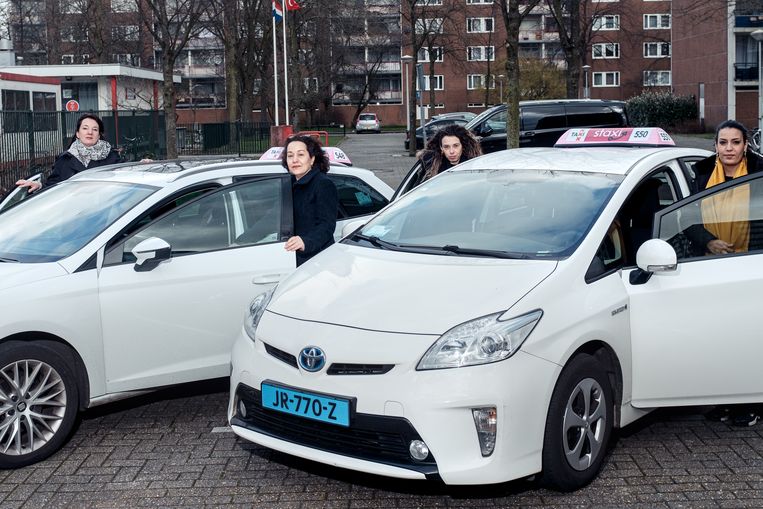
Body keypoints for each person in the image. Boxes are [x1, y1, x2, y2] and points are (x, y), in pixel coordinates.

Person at [695, 120, 763, 427]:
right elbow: (688, 216)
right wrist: (707, 241)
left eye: (735, 142)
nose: (729, 149)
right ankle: (722, 400)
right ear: (715, 146)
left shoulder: (760, 171)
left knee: (748, 336)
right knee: (717, 336)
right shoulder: (701, 173)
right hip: (710, 265)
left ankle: (749, 403)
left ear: (745, 145)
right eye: (723, 143)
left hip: (752, 262)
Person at [16, 113, 121, 193]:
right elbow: (54, 185)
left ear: (98, 136)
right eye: (85, 128)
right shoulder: (65, 159)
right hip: (72, 212)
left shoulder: (111, 157)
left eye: (95, 129)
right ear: (77, 134)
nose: (90, 132)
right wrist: (39, 185)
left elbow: (127, 176)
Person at [280, 134, 338, 266]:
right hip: (290, 259)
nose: (295, 160)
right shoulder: (287, 184)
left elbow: (327, 226)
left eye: (300, 155)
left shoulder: (323, 184)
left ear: (312, 159)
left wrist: (305, 241)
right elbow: (272, 215)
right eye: (290, 155)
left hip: (317, 260)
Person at [418, 124, 482, 181]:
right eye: (446, 147)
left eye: (456, 146)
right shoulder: (431, 165)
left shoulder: (473, 165)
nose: (451, 151)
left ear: (463, 146)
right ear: (441, 148)